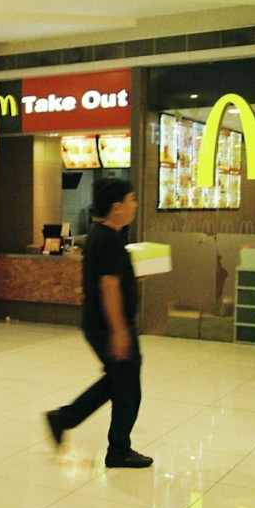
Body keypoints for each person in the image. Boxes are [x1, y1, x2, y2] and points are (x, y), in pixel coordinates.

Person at [45, 178, 152, 469]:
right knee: (127, 389)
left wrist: (132, 277)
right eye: (131, 200)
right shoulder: (109, 239)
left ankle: (64, 419)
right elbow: (108, 286)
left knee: (118, 382)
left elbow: (111, 278)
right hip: (109, 326)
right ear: (117, 206)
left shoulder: (102, 235)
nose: (134, 205)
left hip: (100, 324)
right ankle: (118, 450)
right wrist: (118, 331)